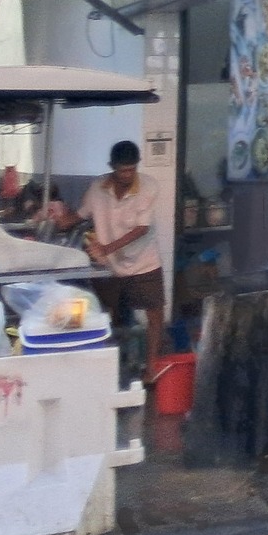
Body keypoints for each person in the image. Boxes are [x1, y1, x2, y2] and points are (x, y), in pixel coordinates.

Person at [80, 141, 164, 373]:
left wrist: (106, 248)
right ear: (112, 167)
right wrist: (56, 216)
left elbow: (142, 229)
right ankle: (114, 366)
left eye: (132, 169)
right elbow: (80, 215)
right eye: (122, 170)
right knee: (111, 315)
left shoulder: (149, 186)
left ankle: (151, 369)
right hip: (111, 267)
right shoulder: (98, 187)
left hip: (145, 262)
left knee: (155, 315)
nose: (127, 175)